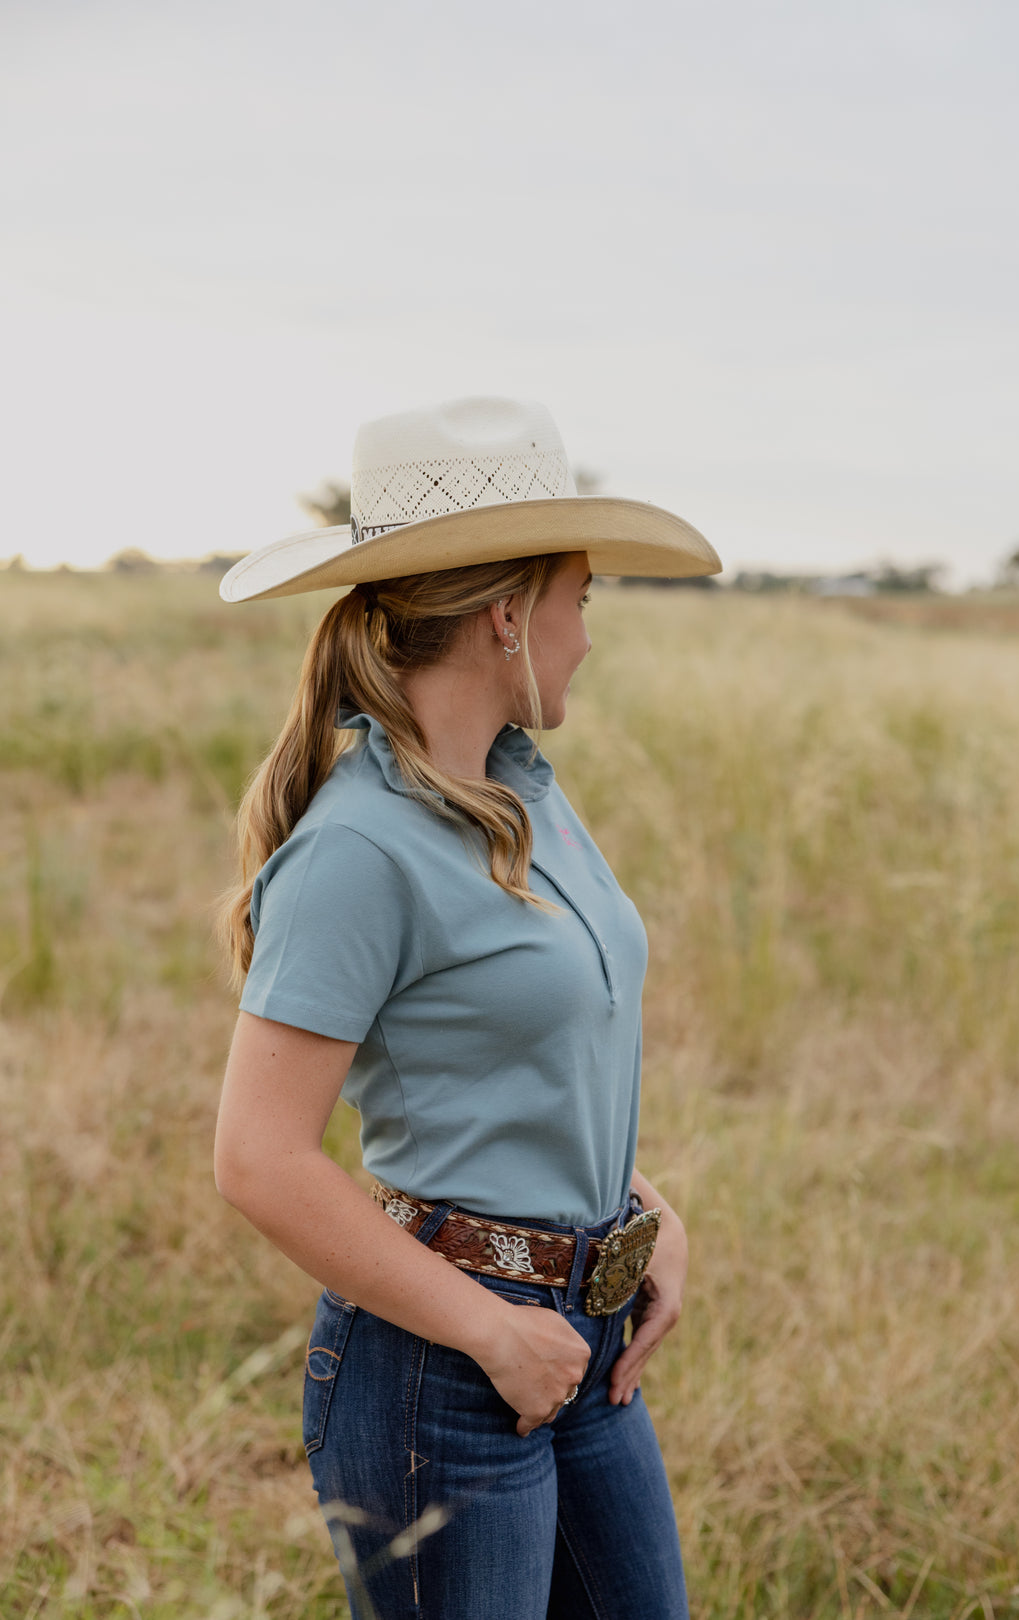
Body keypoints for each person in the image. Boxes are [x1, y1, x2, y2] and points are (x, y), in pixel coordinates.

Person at [213, 397, 721, 1619]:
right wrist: (494, 1334)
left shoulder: (528, 795)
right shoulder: (359, 852)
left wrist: (634, 1215)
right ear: (507, 616)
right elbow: (258, 1159)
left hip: (581, 1340)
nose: (588, 638)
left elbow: (537, 1052)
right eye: (579, 599)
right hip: (442, 1369)